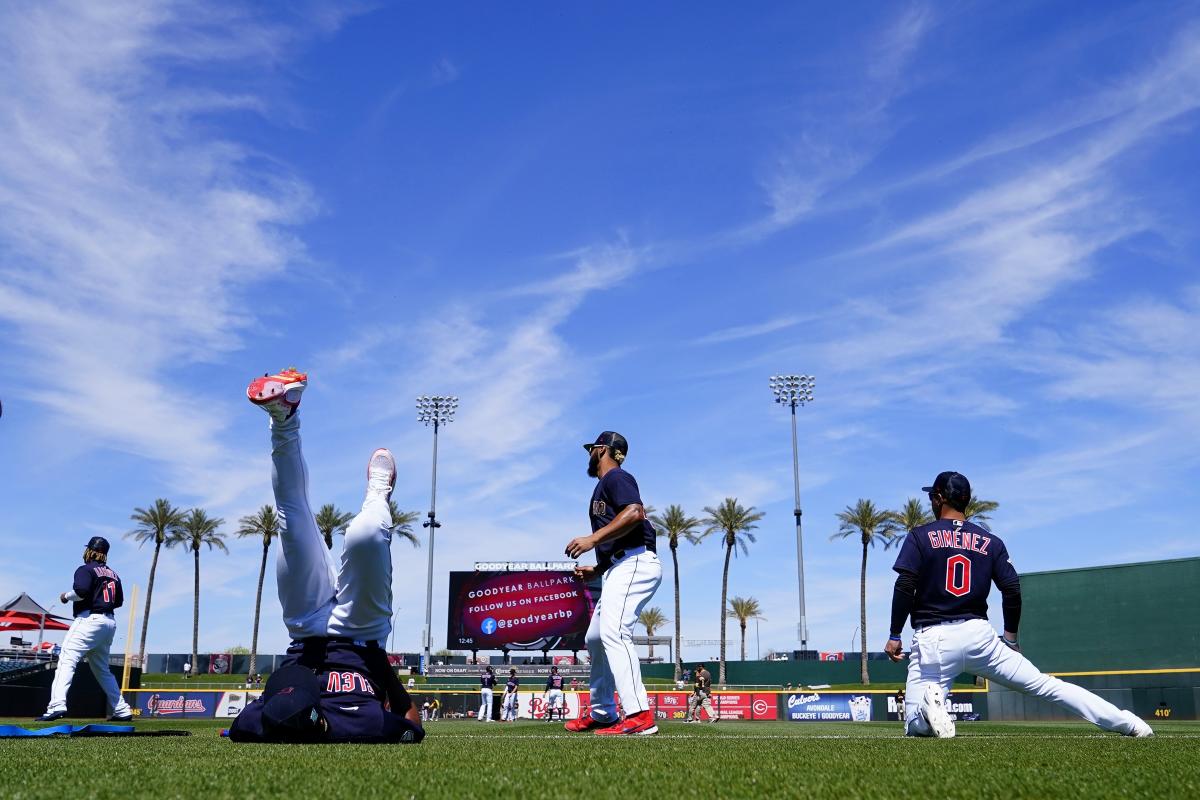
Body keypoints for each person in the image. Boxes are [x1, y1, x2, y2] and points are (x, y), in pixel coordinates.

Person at [228, 368, 423, 744]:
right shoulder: (358, 724)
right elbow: (413, 726)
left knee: (291, 518)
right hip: (361, 633)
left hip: (303, 629)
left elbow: (239, 726)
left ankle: (284, 416)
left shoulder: (259, 723)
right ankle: (378, 494)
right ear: (316, 721)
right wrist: (386, 675)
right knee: (364, 535)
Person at [886, 471, 1153, 739]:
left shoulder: (920, 536)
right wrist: (1011, 639)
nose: (932, 501)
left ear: (941, 498)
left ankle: (927, 709)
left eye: (933, 495)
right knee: (1047, 685)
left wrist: (895, 634)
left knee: (913, 727)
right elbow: (1011, 589)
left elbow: (905, 585)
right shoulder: (991, 542)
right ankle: (1129, 724)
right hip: (980, 638)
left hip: (935, 640)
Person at [564, 431, 662, 736]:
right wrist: (599, 567)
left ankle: (639, 714)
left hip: (635, 562)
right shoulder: (603, 486)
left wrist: (592, 539)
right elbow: (621, 530)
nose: (589, 455)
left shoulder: (616, 478)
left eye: (591, 449)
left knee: (615, 632)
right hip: (619, 564)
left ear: (602, 449)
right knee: (596, 638)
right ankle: (604, 712)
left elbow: (635, 512)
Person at [35, 537, 134, 722]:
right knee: (102, 669)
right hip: (109, 623)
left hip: (90, 620)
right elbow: (118, 602)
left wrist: (65, 596)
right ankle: (121, 709)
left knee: (66, 659)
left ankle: (56, 705)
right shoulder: (114, 574)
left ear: (90, 551)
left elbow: (81, 591)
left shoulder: (86, 569)